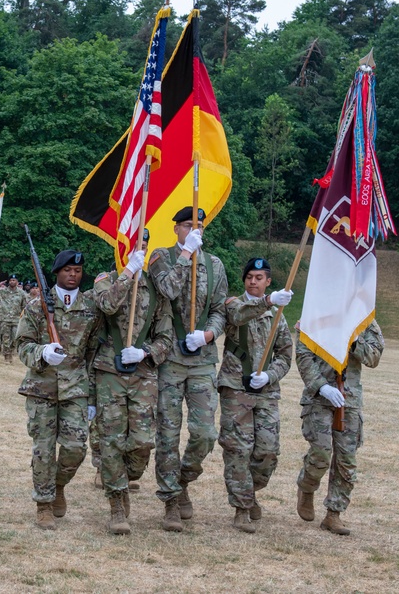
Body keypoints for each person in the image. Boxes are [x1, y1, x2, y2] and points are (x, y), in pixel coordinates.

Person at [148, 206, 228, 532]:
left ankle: (182, 480)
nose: (194, 231)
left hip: (202, 359)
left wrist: (208, 334)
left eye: (199, 226)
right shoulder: (161, 257)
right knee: (167, 432)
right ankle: (169, 499)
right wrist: (185, 254)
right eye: (187, 226)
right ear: (176, 229)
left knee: (205, 434)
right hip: (168, 358)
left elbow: (221, 309)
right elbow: (168, 289)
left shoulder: (216, 264)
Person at [91, 233, 174, 534]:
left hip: (142, 374)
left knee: (141, 442)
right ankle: (116, 503)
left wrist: (146, 351)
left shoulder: (155, 289)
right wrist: (127, 273)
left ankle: (125, 480)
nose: (138, 251)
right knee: (112, 440)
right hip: (109, 372)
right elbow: (107, 305)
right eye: (133, 245)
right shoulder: (105, 279)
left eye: (143, 246)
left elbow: (167, 338)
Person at [16, 250, 102, 530]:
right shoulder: (36, 306)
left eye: (77, 270)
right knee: (43, 449)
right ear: (56, 273)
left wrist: (91, 394)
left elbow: (92, 351)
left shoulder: (91, 306)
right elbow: (22, 346)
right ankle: (43, 504)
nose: (73, 275)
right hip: (42, 387)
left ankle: (58, 485)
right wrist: (42, 352)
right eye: (67, 270)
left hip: (75, 388)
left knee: (76, 447)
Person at [218, 257, 294, 533]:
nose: (253, 281)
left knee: (267, 451)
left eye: (259, 277)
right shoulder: (233, 304)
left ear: (268, 281)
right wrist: (269, 301)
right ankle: (241, 507)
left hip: (266, 390)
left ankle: (250, 492)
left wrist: (270, 375)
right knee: (238, 449)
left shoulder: (278, 316)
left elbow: (286, 355)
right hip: (235, 386)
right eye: (249, 276)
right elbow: (239, 316)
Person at [295, 319, 383, 536]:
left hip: (349, 399)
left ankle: (333, 513)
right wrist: (321, 386)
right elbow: (303, 356)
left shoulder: (365, 319)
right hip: (319, 397)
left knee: (346, 460)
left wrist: (354, 340)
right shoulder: (319, 313)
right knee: (321, 452)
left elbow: (374, 357)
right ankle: (307, 487)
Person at [0, 275, 28, 363]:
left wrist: (24, 318)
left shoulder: (21, 293)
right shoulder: (3, 291)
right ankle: (6, 355)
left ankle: (11, 351)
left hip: (16, 319)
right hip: (5, 318)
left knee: (15, 338)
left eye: (14, 280)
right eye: (11, 280)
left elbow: (24, 306)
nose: (12, 282)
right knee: (5, 338)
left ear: (17, 282)